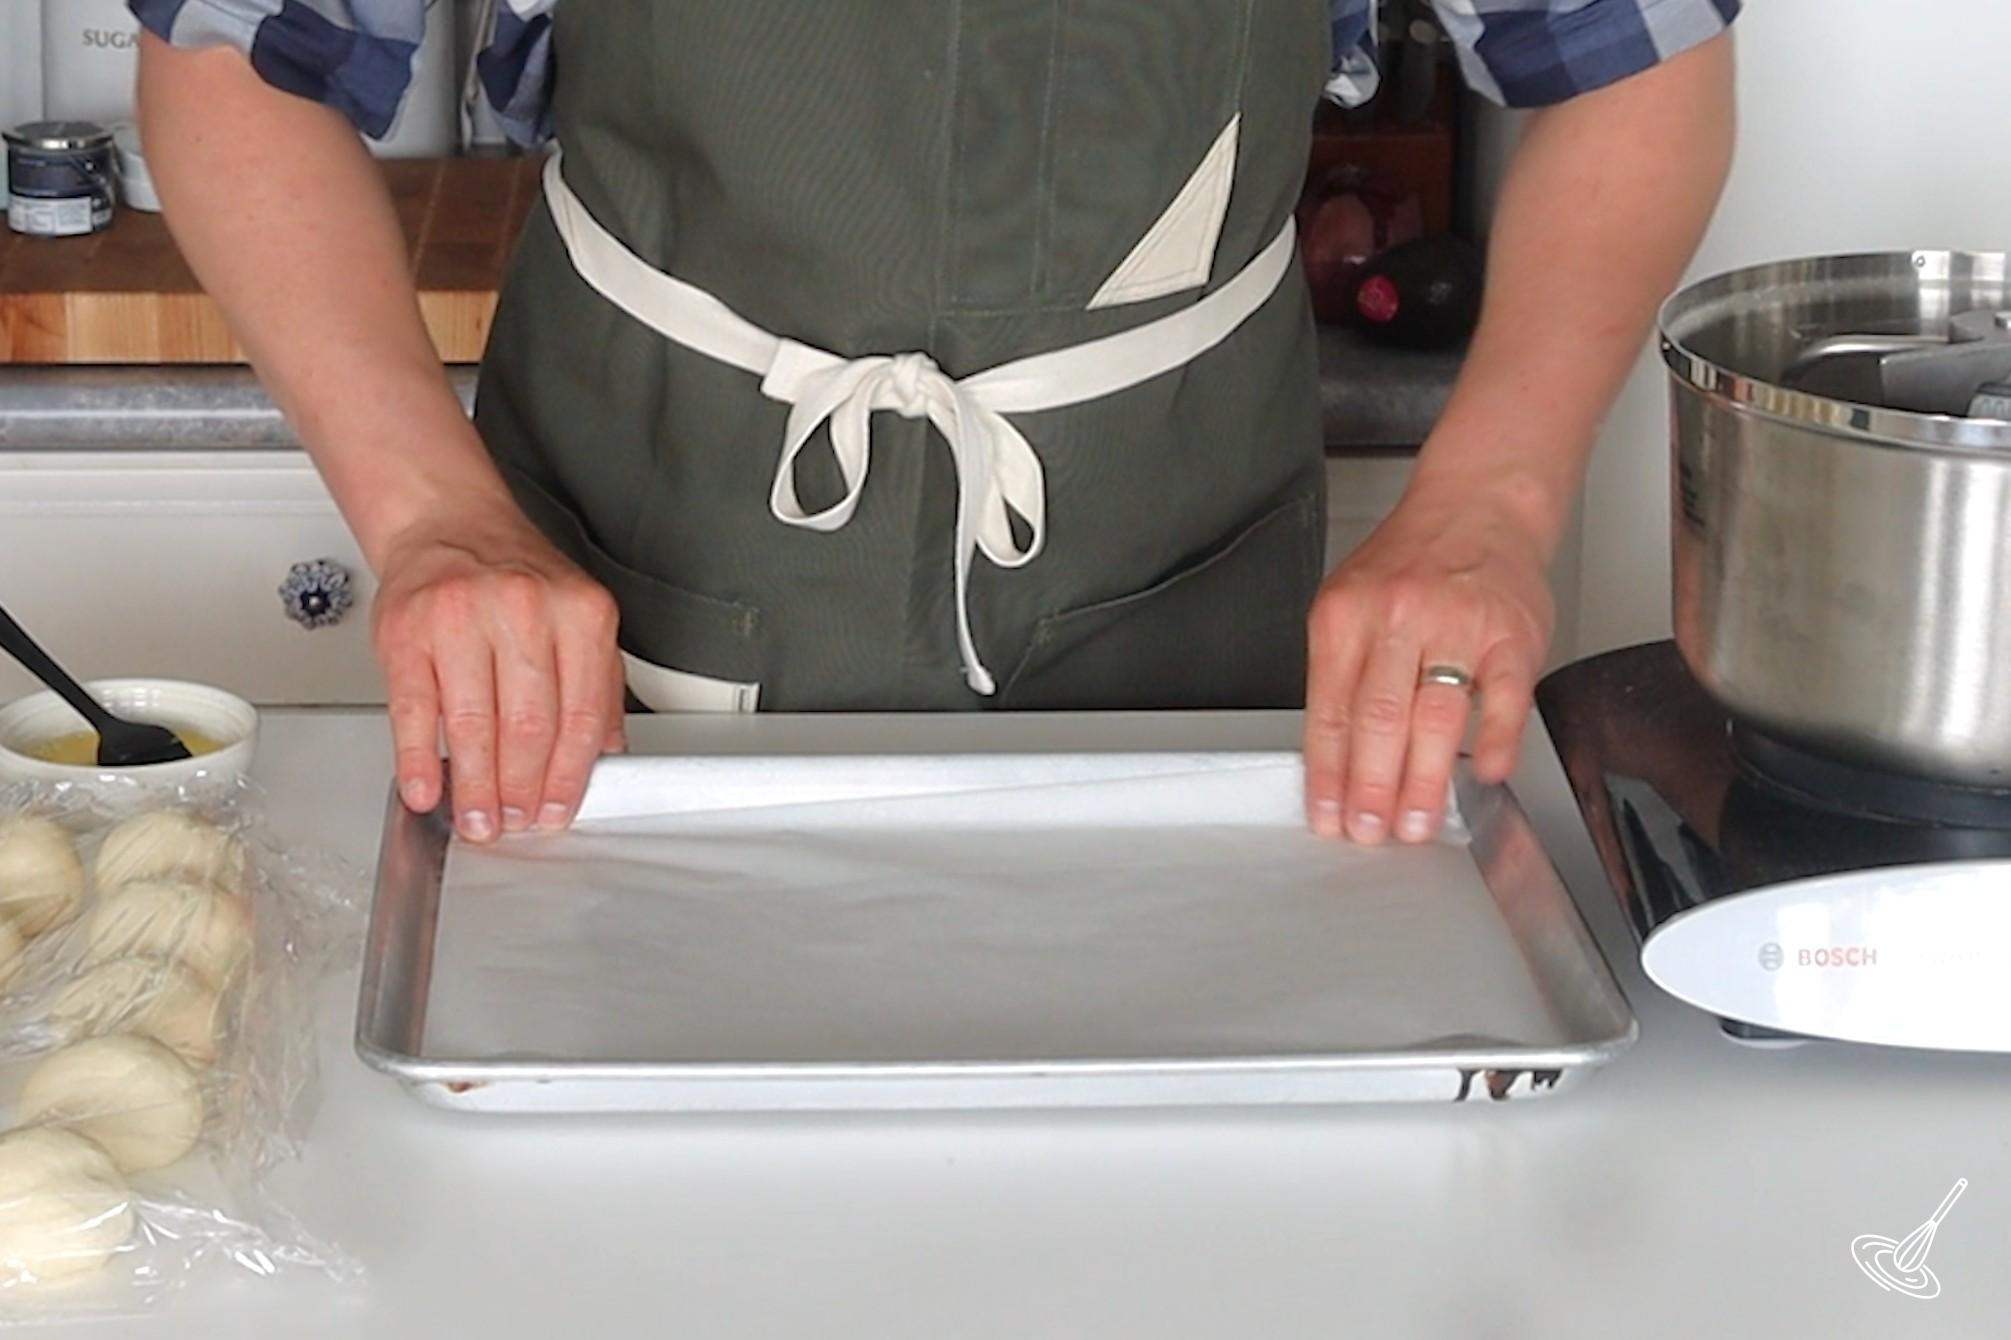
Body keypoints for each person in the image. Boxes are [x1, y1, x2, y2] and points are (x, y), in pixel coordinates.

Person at [132, 0, 1736, 846]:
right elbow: (235, 62)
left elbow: (1628, 64)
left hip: (1181, 581)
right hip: (628, 565)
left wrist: (1494, 504)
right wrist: (433, 519)